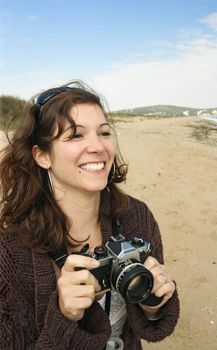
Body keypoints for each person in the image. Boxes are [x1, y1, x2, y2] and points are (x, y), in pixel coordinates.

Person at [0, 80, 179, 350]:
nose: (97, 146)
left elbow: (152, 327)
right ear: (42, 156)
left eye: (104, 133)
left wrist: (153, 303)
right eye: (75, 135)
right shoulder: (10, 252)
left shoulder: (136, 217)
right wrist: (64, 316)